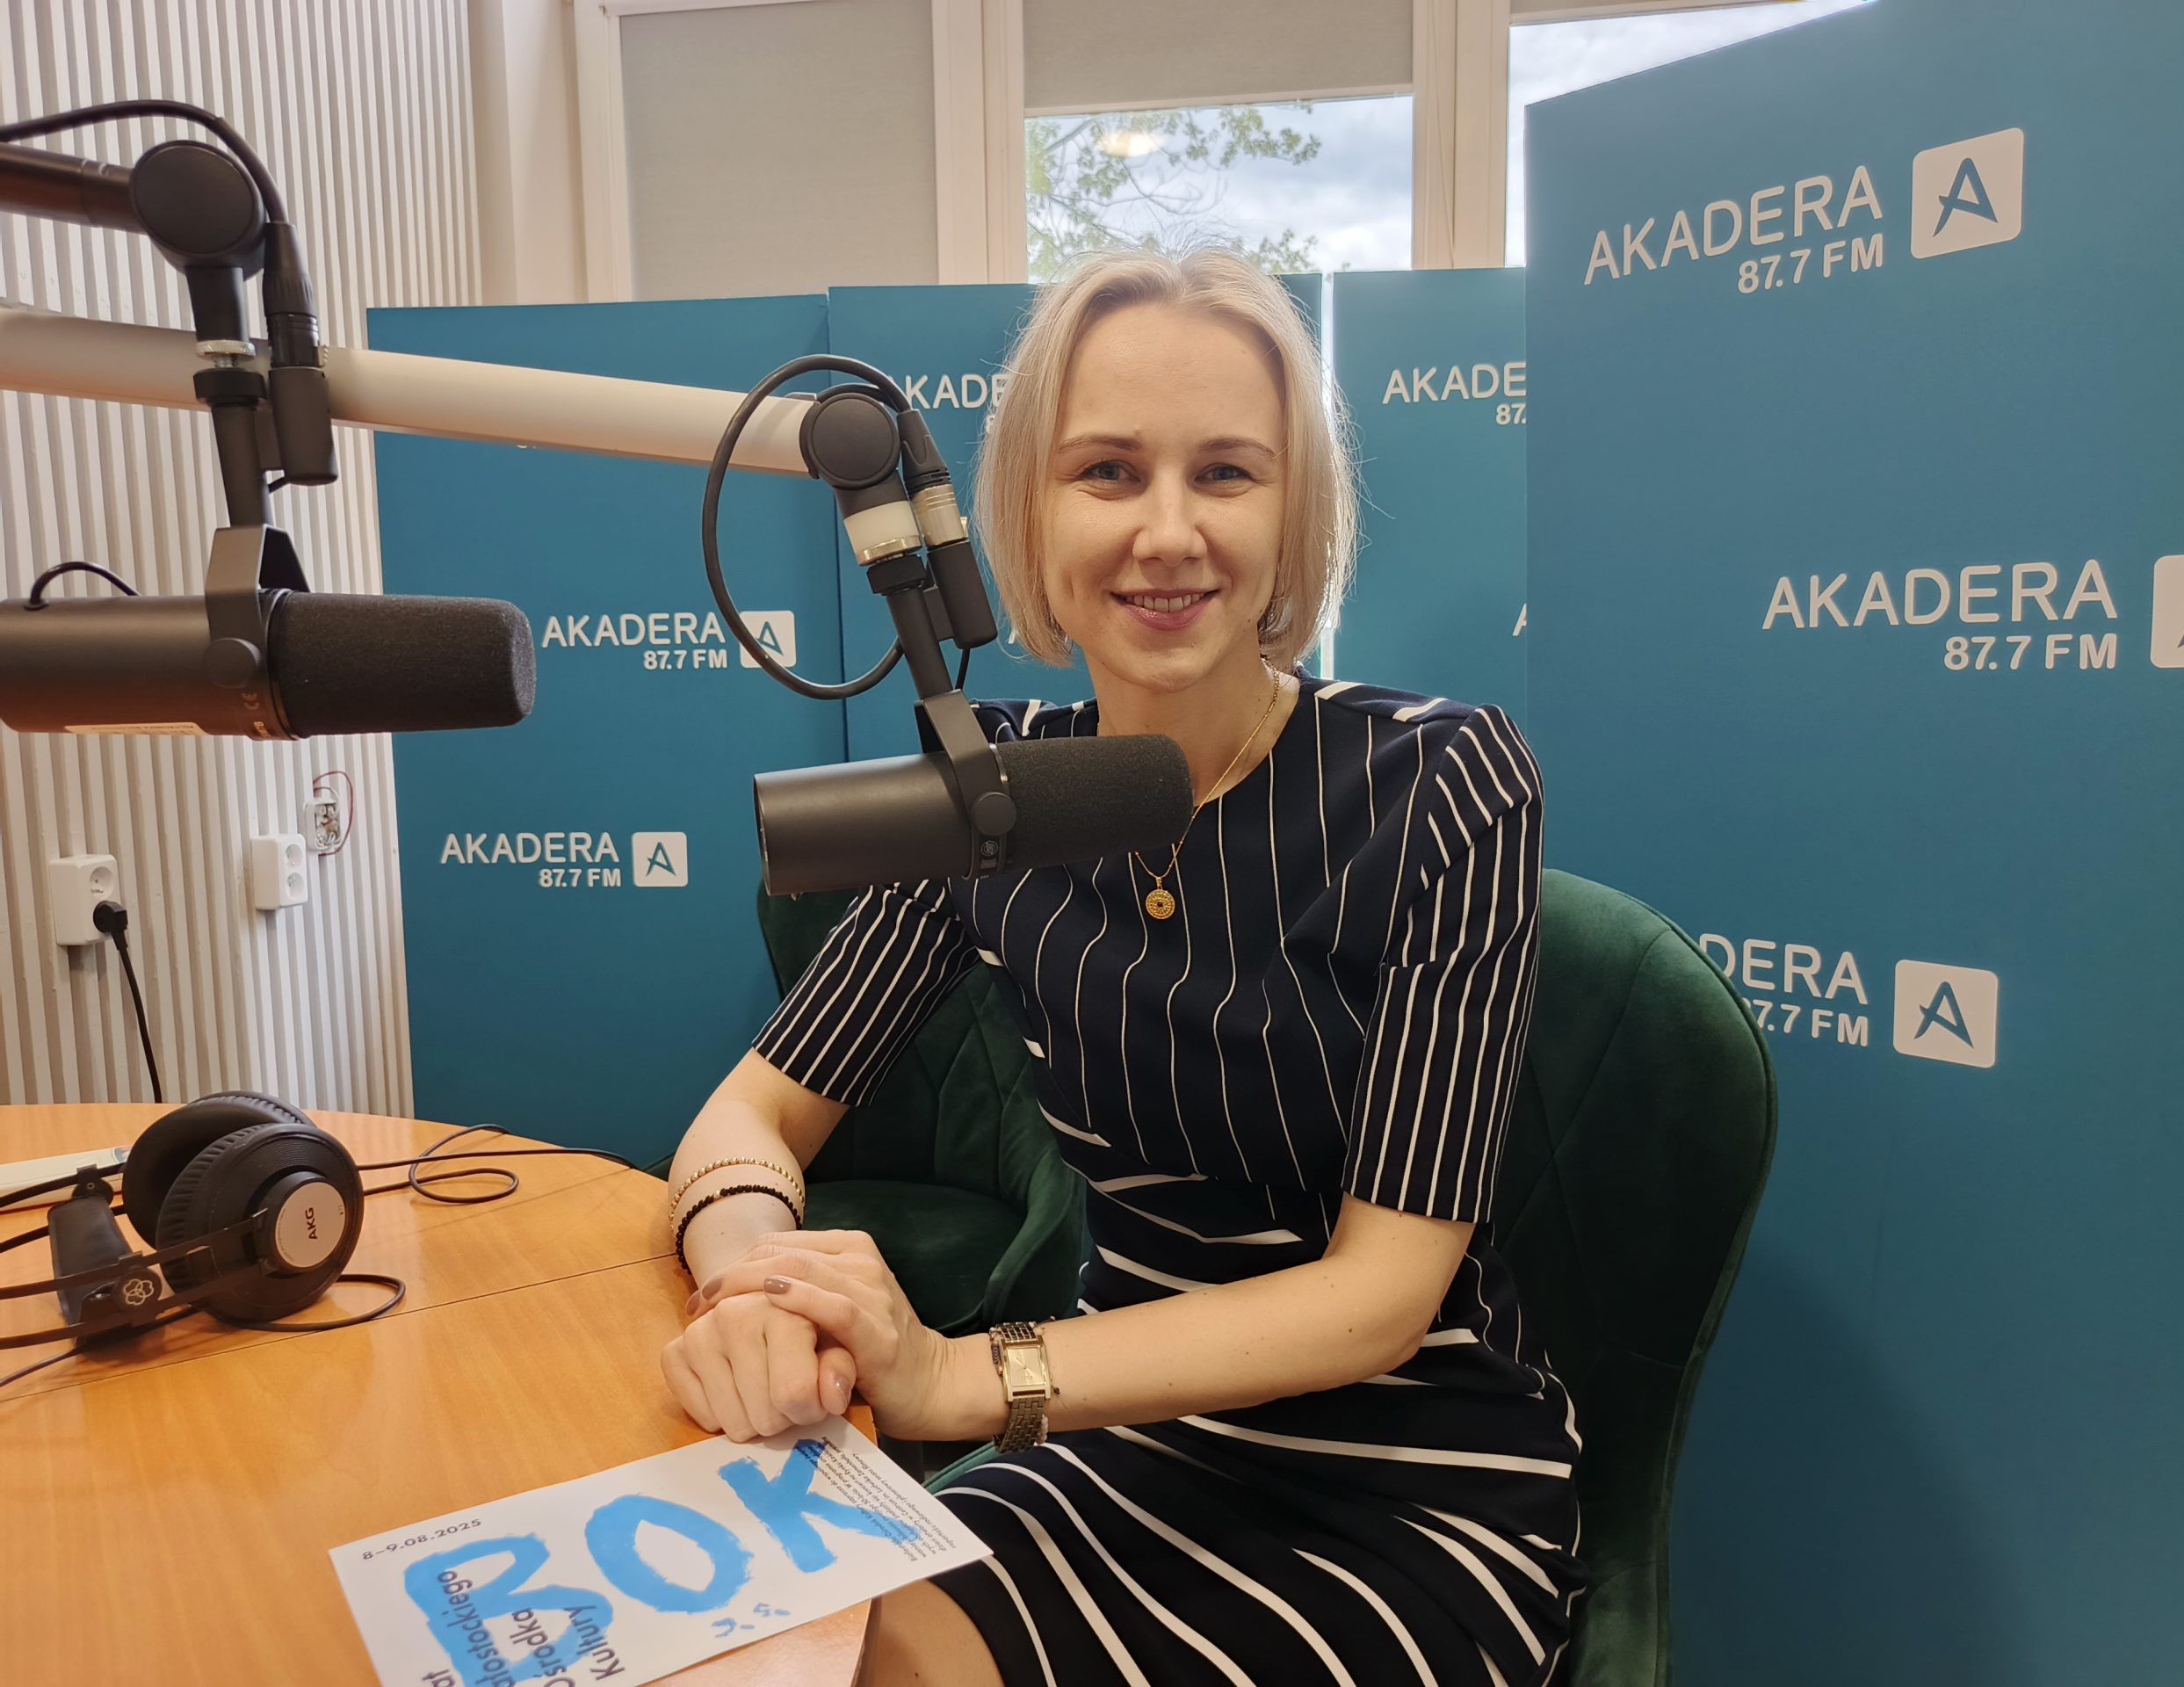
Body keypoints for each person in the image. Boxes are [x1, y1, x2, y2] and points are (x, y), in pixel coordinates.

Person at [662, 249, 1581, 1685]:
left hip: (1408, 1478)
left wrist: (958, 1376)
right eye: (1106, 471)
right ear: (1028, 516)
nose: (1167, 532)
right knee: (805, 1656)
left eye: (1225, 473)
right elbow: (753, 1115)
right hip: (1117, 1434)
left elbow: (1381, 1297)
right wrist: (756, 1291)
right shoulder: (996, 794)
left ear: (1293, 514)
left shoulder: (1441, 781)